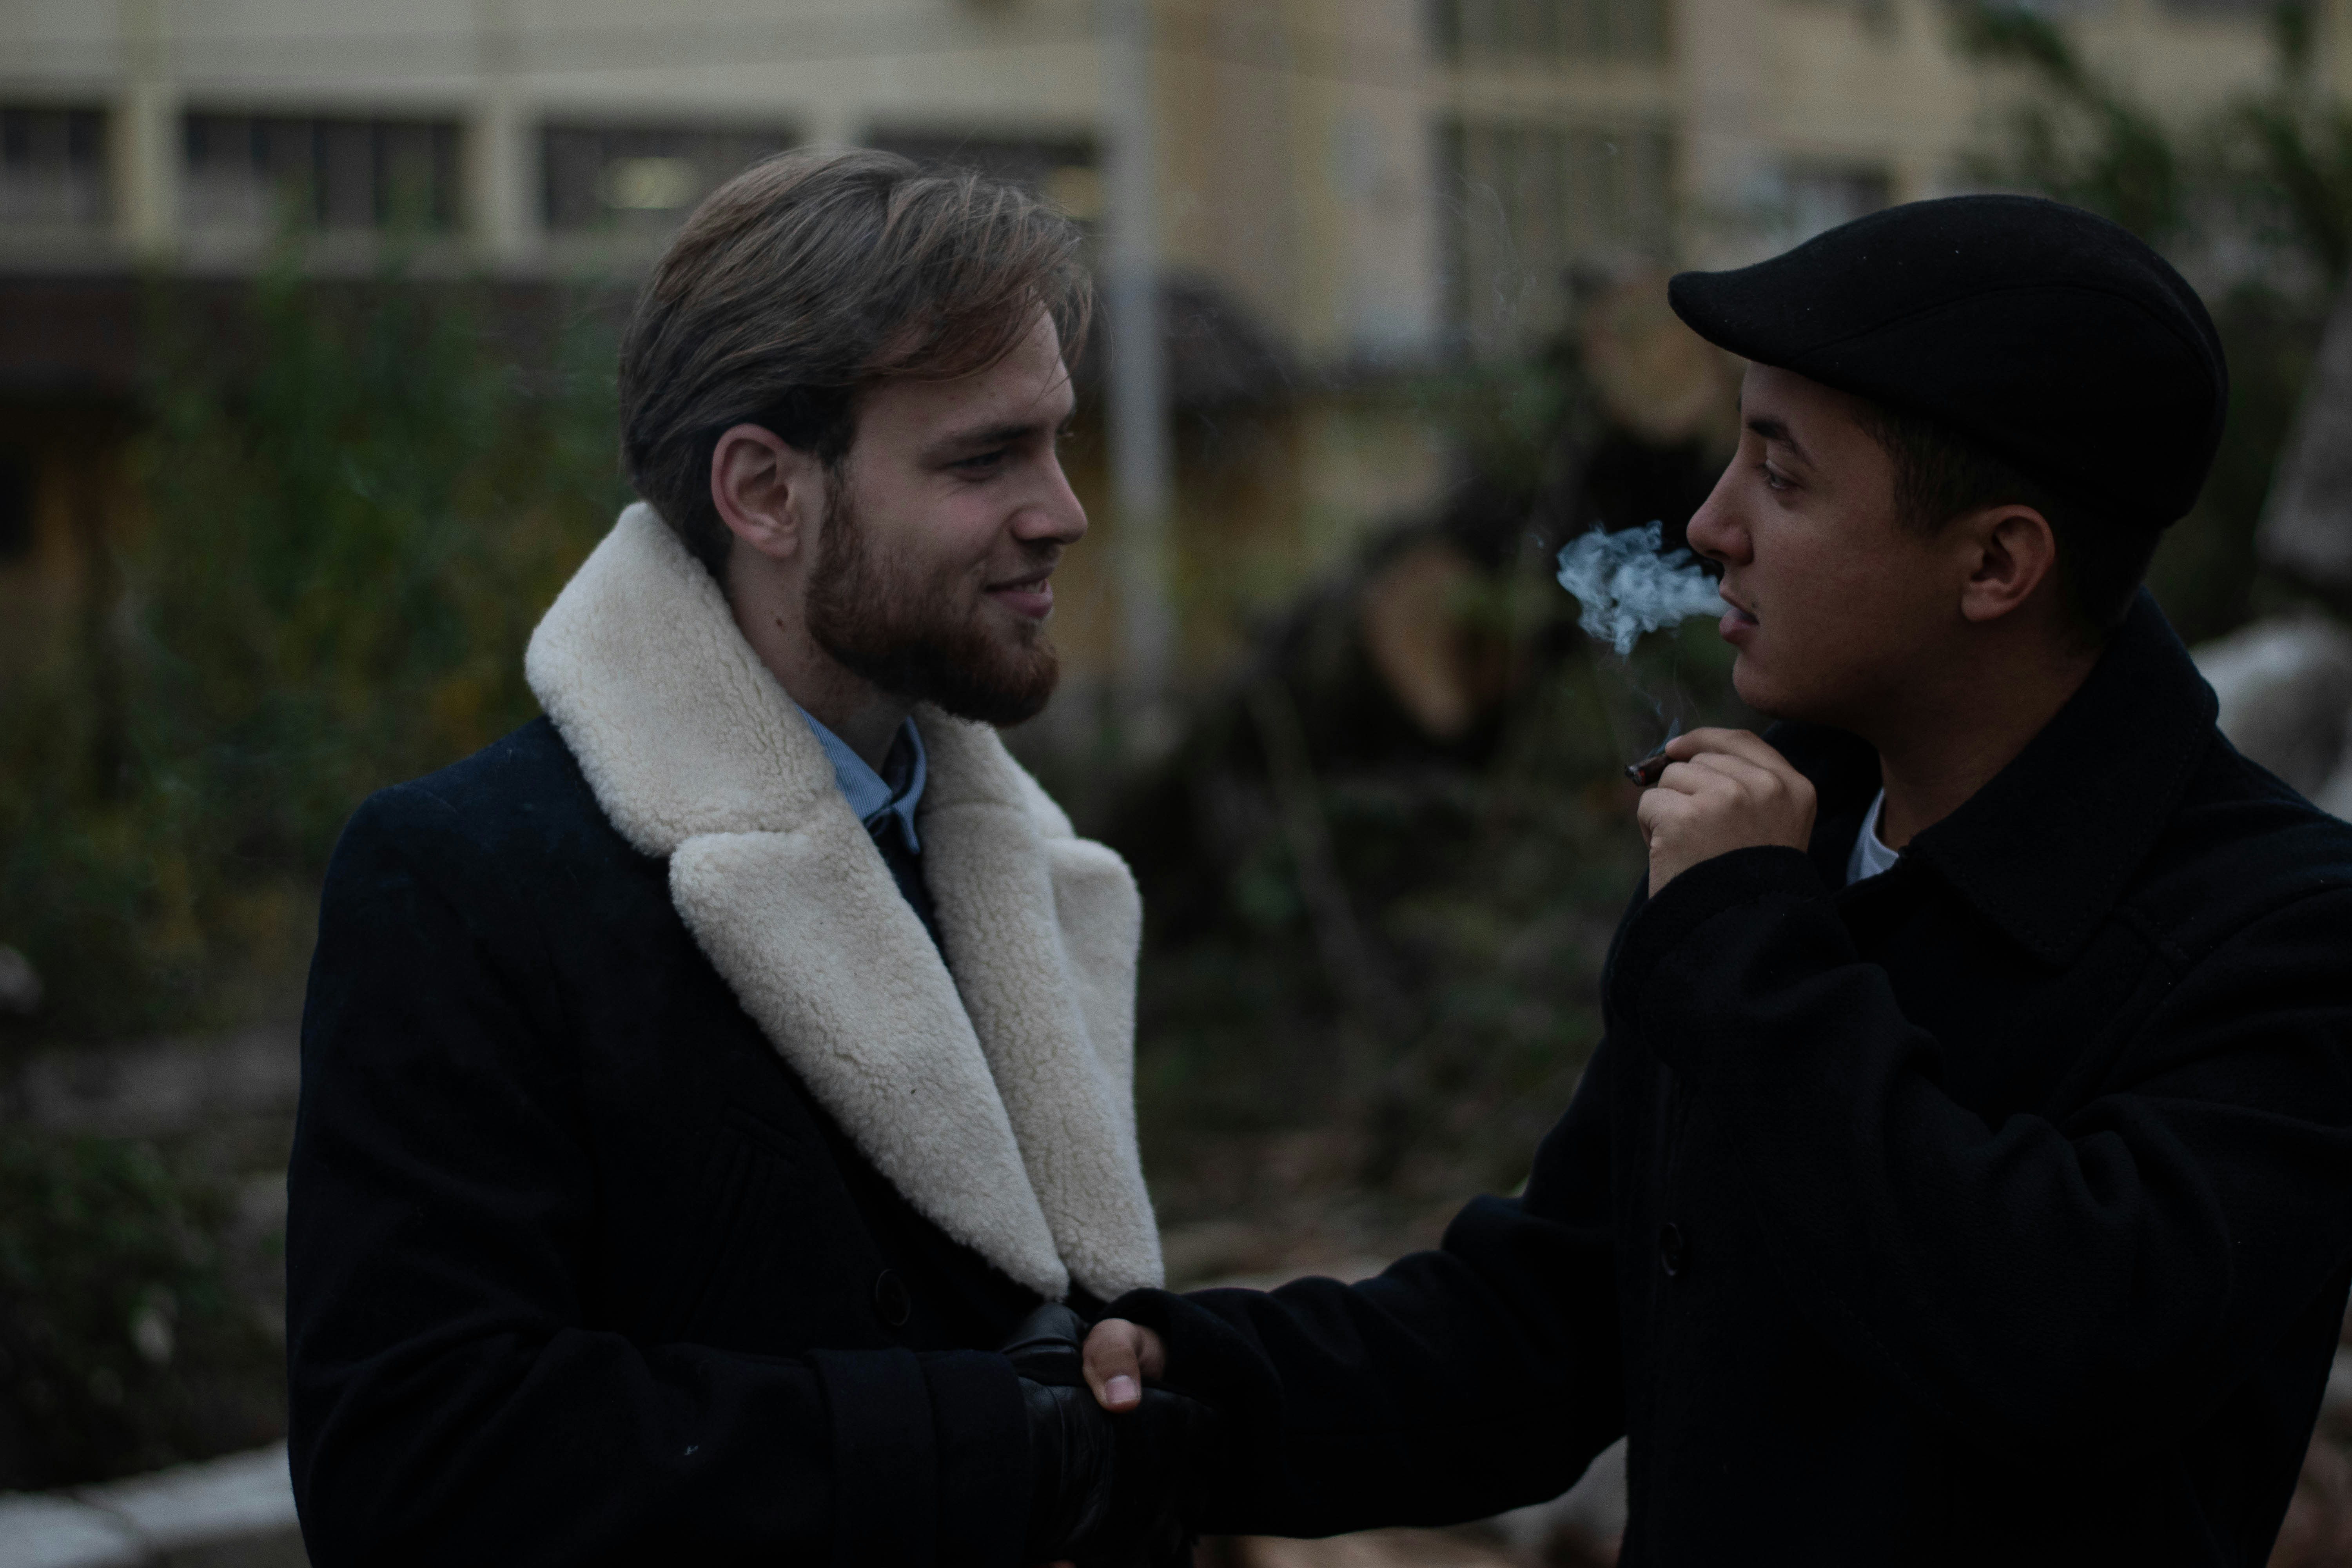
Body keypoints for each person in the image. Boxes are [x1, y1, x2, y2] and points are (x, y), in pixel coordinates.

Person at [1080, 194, 2352, 1563]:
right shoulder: (1773, 846)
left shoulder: (2281, 930)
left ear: (1997, 562)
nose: (1709, 523)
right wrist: (1177, 1383)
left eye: (1785, 478)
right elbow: (1546, 1329)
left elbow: (2060, 1338)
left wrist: (1754, 946)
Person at [285, 149, 1196, 1568]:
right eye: (984, 456)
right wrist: (984, 1444)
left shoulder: (1024, 868)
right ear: (766, 493)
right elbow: (415, 1464)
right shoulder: (468, 881)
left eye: (1059, 439)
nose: (1064, 510)